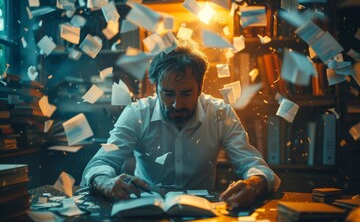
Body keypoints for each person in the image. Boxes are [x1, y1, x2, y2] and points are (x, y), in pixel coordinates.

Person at [81, 40, 281, 207]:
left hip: (201, 213)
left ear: (200, 88)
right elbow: (99, 164)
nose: (177, 104)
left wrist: (254, 184)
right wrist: (105, 181)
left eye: (186, 93)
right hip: (148, 212)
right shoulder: (137, 113)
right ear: (155, 87)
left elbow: (256, 167)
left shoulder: (220, 113)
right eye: (168, 93)